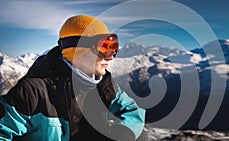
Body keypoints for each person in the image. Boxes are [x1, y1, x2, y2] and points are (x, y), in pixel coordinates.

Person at [0, 15, 146, 141]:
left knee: (139, 136)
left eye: (113, 46)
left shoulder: (104, 84)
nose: (110, 56)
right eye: (104, 47)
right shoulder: (33, 92)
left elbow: (133, 110)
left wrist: (123, 133)